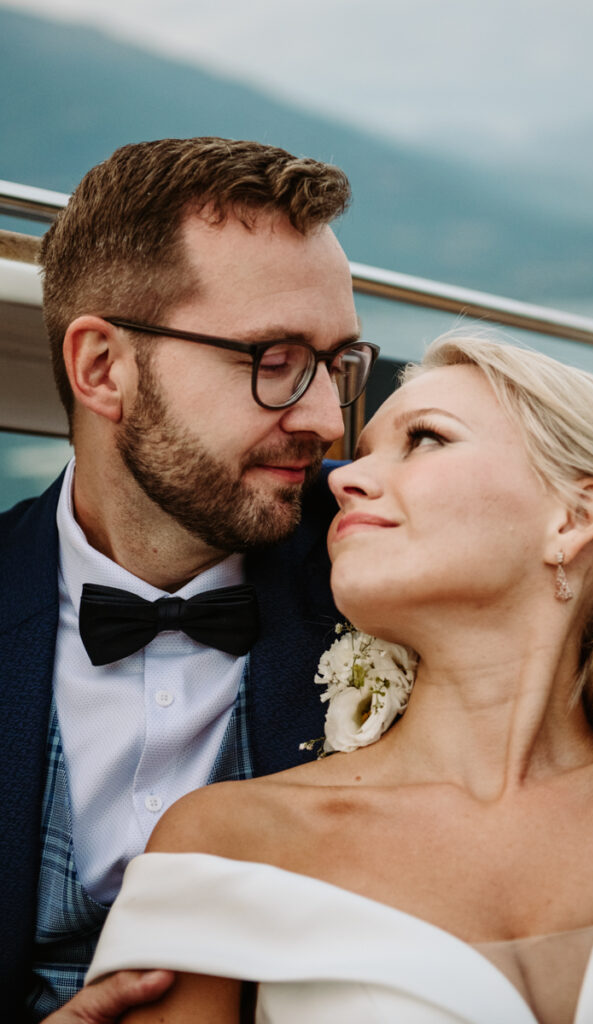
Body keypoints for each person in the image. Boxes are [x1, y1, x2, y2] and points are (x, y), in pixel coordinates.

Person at [85, 334, 593, 1023]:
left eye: (425, 439)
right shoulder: (230, 839)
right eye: (363, 455)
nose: (340, 478)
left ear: (574, 518)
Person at [0, 136, 380, 1021]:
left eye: (338, 364)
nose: (327, 420)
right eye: (273, 361)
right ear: (104, 369)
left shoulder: (383, 554)